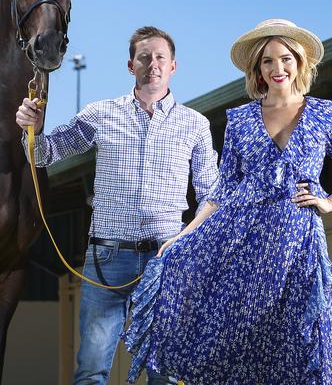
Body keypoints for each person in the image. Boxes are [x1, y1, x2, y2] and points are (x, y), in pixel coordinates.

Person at [122, 19, 332, 385]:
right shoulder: (241, 119)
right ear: (257, 69)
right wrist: (185, 235)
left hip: (296, 242)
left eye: (285, 59)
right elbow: (223, 190)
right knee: (236, 342)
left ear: (299, 62)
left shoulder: (325, 113)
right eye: (267, 61)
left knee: (298, 339)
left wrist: (328, 203)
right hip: (239, 241)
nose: (277, 68)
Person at [15, 26, 219, 385]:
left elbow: (212, 196)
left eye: (160, 57)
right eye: (144, 57)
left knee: (165, 373)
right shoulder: (100, 114)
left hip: (165, 260)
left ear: (174, 66)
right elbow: (45, 153)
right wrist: (29, 128)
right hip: (106, 259)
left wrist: (185, 244)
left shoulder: (196, 126)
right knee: (91, 370)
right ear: (130, 66)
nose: (152, 64)